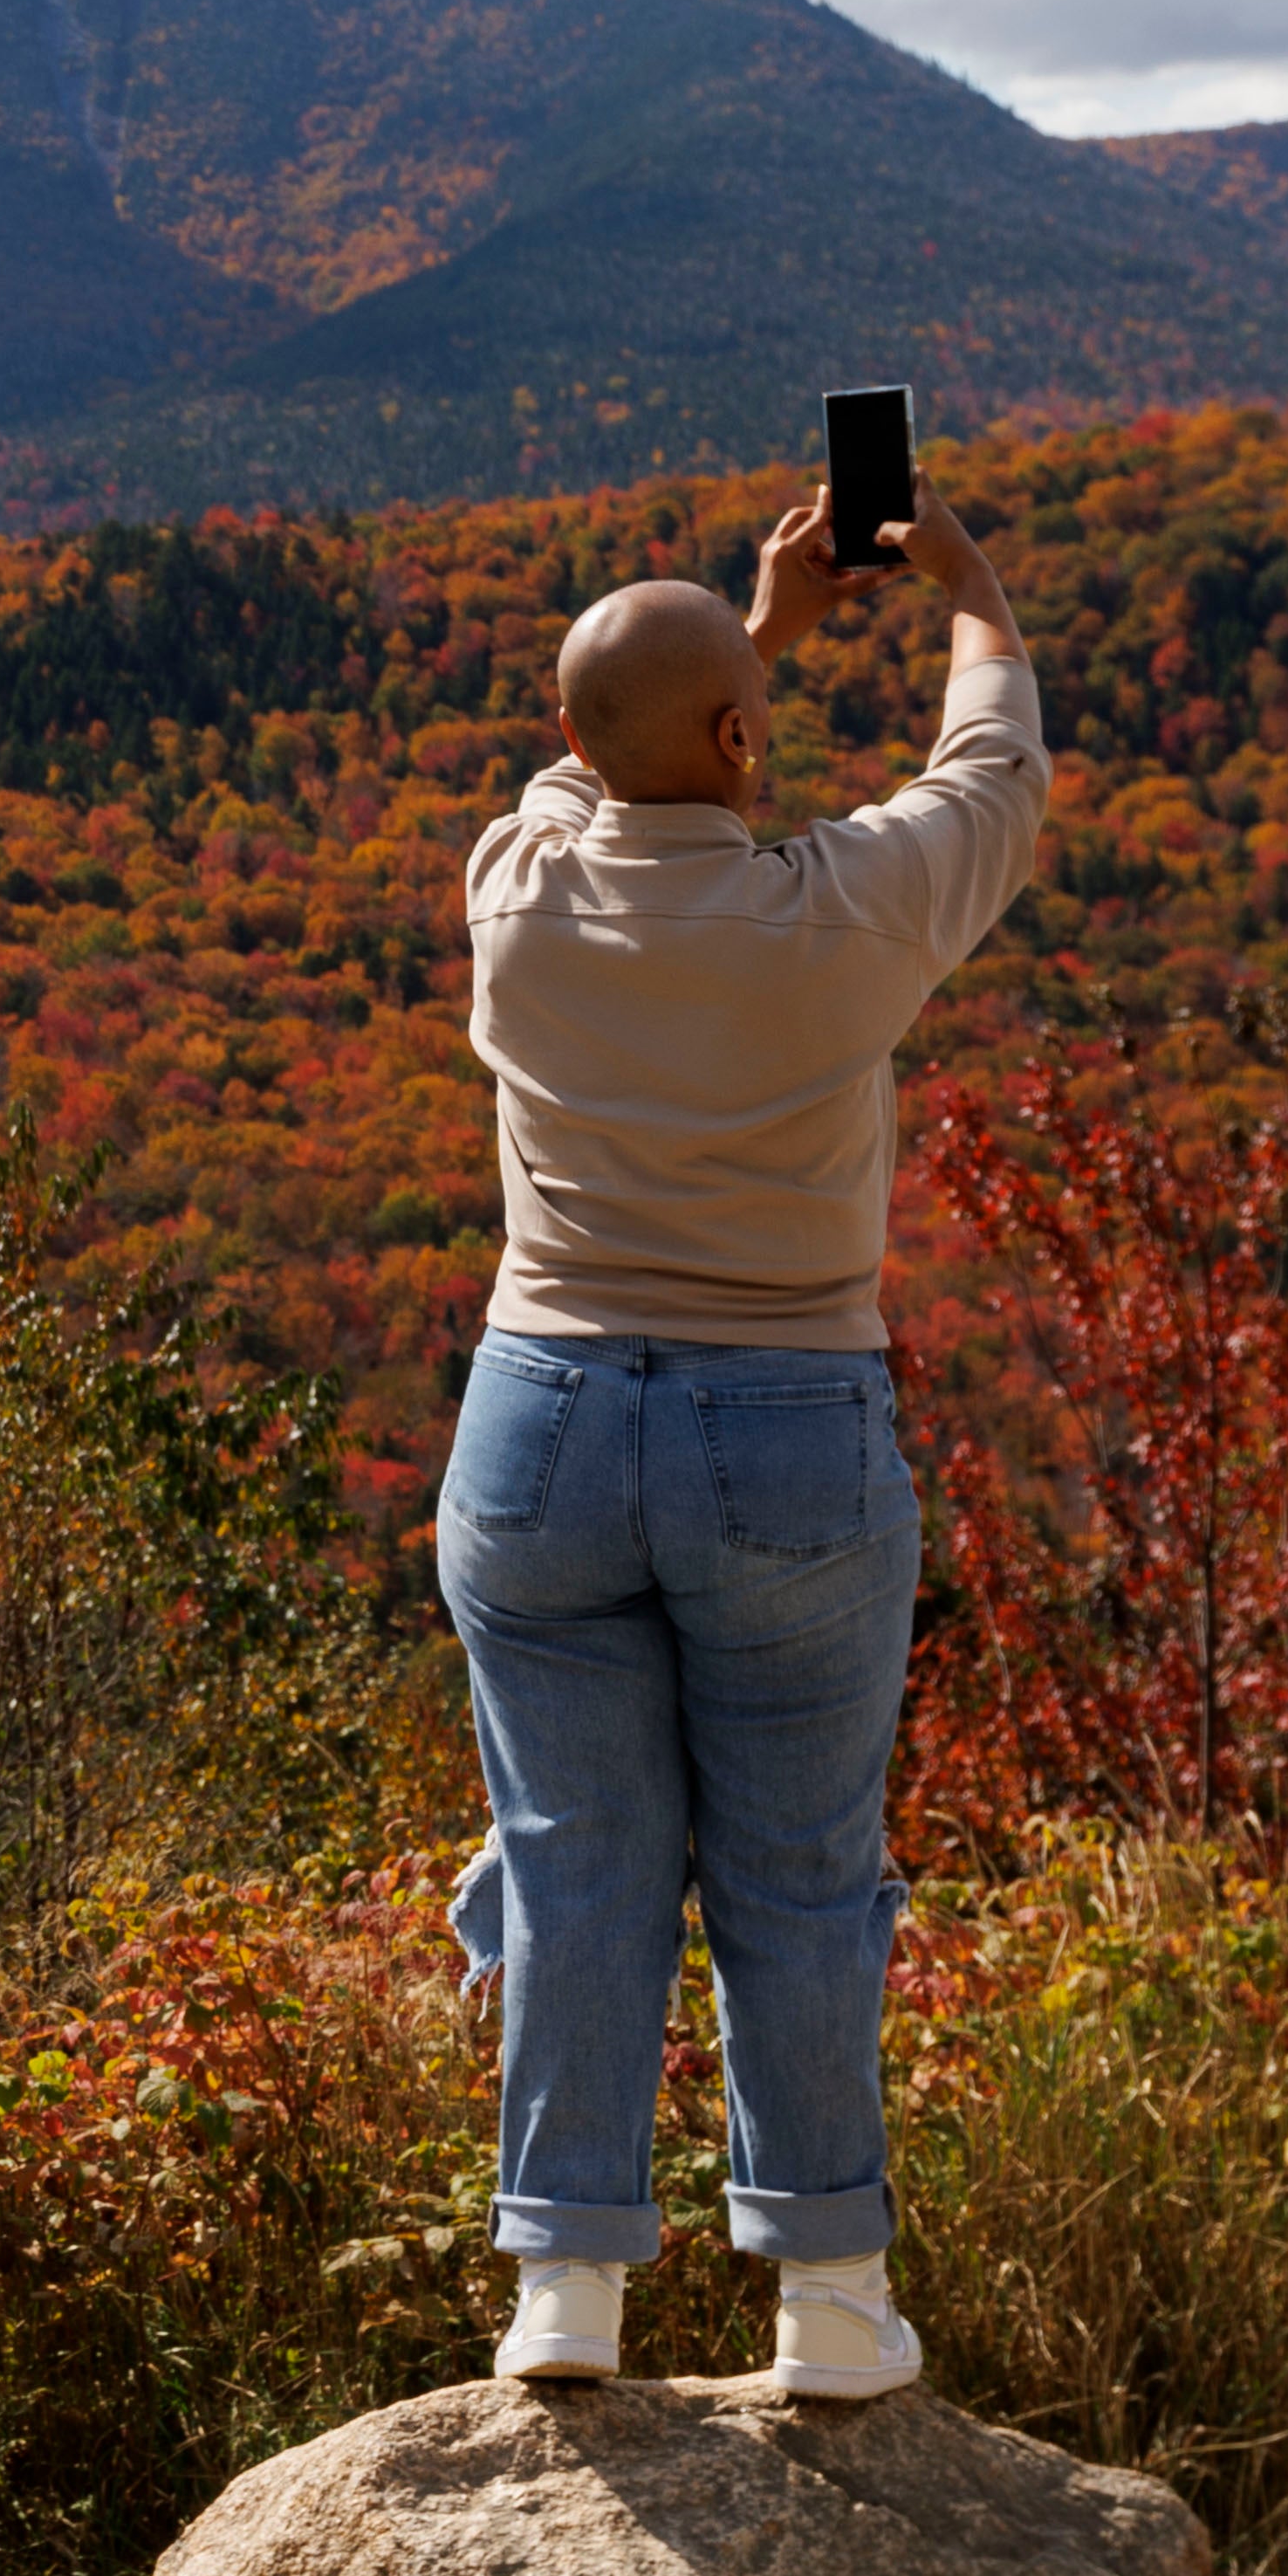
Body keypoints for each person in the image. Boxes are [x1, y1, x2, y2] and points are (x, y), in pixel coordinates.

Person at [446, 471, 1043, 2401]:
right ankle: (832, 2306)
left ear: (569, 740)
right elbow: (992, 762)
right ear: (742, 746)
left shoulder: (514, 889)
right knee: (797, 1868)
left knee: (571, 1855)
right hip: (787, 1419)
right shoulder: (840, 915)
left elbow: (600, 766)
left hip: (537, 1425)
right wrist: (960, 585)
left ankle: (568, 2294)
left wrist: (745, 647)